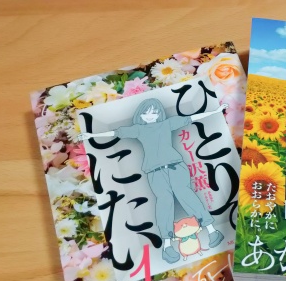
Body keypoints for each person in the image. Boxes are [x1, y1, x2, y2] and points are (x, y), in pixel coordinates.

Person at [81, 98, 228, 263]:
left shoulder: (167, 124)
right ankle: (167, 246)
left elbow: (191, 118)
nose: (151, 116)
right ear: (141, 114)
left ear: (159, 113)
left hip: (176, 166)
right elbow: (116, 133)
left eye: (155, 112)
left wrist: (216, 111)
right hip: (154, 172)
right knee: (164, 203)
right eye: (147, 112)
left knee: (186, 195)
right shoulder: (139, 130)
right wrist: (91, 135)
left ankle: (212, 231)